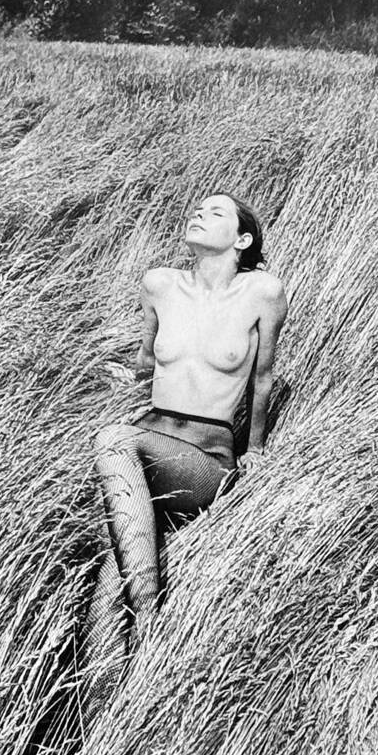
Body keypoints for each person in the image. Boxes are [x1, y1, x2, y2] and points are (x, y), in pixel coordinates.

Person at [83, 193, 288, 675]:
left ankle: (151, 626)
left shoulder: (262, 293)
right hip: (148, 455)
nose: (199, 214)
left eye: (215, 212)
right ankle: (103, 730)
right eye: (197, 209)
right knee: (103, 609)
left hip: (202, 462)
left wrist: (254, 448)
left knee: (114, 438)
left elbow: (262, 379)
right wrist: (102, 375)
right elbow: (146, 365)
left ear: (241, 239)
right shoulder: (159, 285)